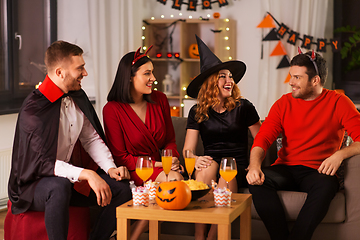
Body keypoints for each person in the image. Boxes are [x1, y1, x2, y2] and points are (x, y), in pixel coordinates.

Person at [8, 40, 132, 240]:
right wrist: (88, 174)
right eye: (80, 68)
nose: (85, 73)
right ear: (60, 72)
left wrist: (110, 168)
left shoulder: (77, 97)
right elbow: (43, 164)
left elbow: (90, 138)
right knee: (59, 187)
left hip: (67, 178)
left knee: (122, 189)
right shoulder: (33, 109)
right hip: (33, 185)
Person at [246, 48, 360, 240]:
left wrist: (339, 155)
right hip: (286, 168)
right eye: (291, 76)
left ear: (315, 80)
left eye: (297, 77)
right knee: (257, 182)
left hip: (318, 171)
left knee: (326, 186)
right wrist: (255, 166)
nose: (291, 82)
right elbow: (263, 139)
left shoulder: (339, 102)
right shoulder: (283, 103)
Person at [183, 35, 261, 240]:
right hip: (211, 161)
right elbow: (188, 150)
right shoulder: (197, 111)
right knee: (205, 170)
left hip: (237, 163)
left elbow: (261, 140)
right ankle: (199, 236)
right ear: (211, 83)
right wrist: (195, 158)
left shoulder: (244, 107)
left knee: (227, 173)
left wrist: (255, 165)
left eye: (231, 77)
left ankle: (212, 238)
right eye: (223, 76)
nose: (230, 81)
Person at [103, 46, 183, 239]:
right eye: (147, 73)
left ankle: (127, 236)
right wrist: (160, 165)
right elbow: (120, 157)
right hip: (136, 170)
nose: (153, 78)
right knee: (175, 184)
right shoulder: (112, 110)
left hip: (163, 168)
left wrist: (171, 159)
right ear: (129, 77)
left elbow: (170, 141)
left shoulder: (161, 100)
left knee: (174, 183)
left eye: (152, 72)